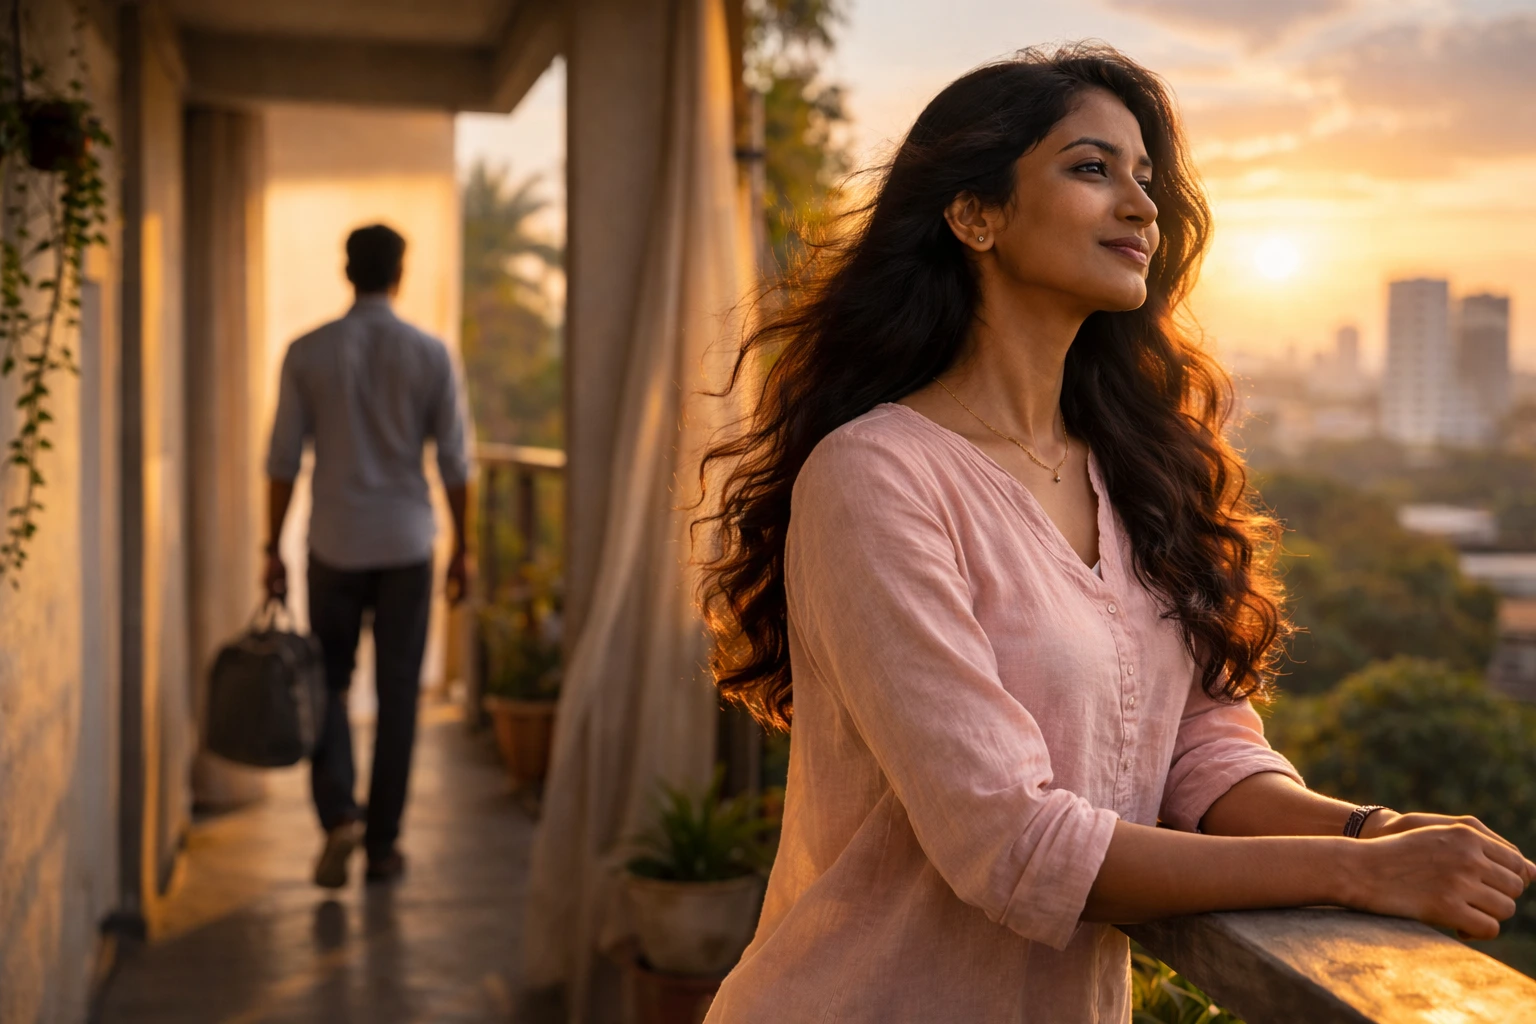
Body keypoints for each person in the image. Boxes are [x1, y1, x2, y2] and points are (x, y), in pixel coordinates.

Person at [695, 45, 1535, 1022]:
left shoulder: (1135, 469)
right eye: (1092, 168)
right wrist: (1358, 876)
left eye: (1146, 178)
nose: (1143, 206)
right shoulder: (876, 477)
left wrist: (1371, 829)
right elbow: (1009, 839)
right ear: (976, 213)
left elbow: (1198, 753)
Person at [264, 224, 470, 888]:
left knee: (328, 684)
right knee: (399, 693)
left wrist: (274, 548)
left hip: (335, 543)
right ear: (399, 272)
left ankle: (338, 818)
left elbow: (282, 461)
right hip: (407, 543)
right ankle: (382, 847)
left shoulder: (307, 352)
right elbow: (457, 464)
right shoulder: (431, 354)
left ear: (346, 270)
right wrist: (464, 547)